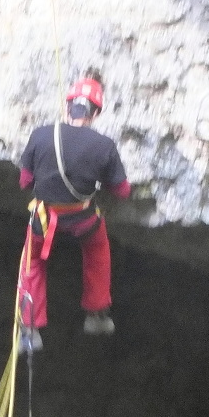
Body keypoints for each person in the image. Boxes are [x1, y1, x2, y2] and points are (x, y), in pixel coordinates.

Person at [17, 71, 131, 352]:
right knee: (97, 250)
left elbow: (24, 182)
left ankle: (30, 332)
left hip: (45, 219)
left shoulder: (41, 135)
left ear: (68, 107)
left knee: (32, 263)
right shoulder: (104, 146)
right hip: (82, 220)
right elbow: (122, 191)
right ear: (94, 114)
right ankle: (96, 316)